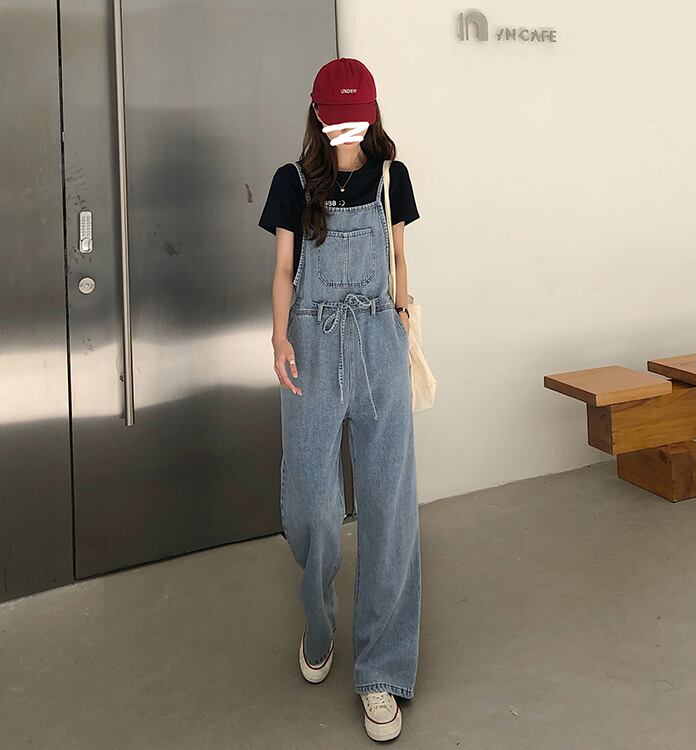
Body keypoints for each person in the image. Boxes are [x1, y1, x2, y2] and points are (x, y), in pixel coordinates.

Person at [258, 57, 421, 742]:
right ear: (318, 115)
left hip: (378, 338)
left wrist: (403, 314)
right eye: (338, 117)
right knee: (312, 506)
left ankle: (382, 670)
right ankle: (319, 620)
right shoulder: (292, 181)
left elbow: (399, 258)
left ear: (372, 113)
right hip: (313, 344)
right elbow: (284, 270)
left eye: (358, 116)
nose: (349, 128)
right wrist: (278, 337)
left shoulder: (391, 177)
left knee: (389, 506)